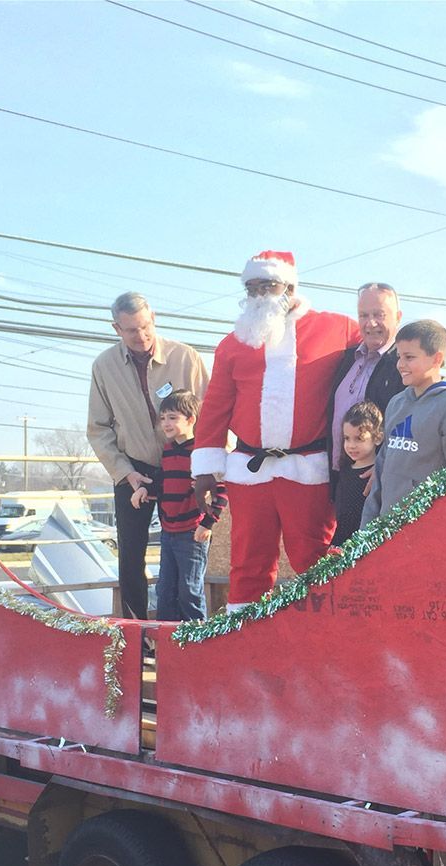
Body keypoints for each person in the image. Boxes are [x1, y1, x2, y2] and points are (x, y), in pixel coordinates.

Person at [192, 251, 360, 609]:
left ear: (290, 286)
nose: (258, 296)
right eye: (251, 288)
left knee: (316, 562)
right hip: (250, 472)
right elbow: (215, 407)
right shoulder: (232, 344)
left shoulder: (338, 328)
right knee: (248, 563)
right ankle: (245, 644)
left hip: (307, 471)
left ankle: (325, 638)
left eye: (267, 286)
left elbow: (382, 349)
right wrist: (206, 468)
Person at [87, 292, 208, 620]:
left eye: (144, 327)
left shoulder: (186, 358)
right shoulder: (103, 367)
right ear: (116, 329)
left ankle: (187, 633)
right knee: (130, 555)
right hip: (134, 469)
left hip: (186, 465)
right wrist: (125, 472)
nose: (140, 336)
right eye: (130, 331)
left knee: (187, 552)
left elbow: (212, 415)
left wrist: (211, 467)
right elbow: (98, 429)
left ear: (153, 317)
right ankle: (135, 633)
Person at [361, 319, 446, 525]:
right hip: (384, 529)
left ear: (436, 359)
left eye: (409, 357)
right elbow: (381, 467)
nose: (400, 364)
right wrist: (366, 528)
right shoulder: (396, 403)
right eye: (399, 356)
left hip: (426, 529)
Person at [131, 390, 227, 622]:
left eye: (173, 417)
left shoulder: (201, 453)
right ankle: (168, 643)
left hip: (191, 533)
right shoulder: (168, 450)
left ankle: (196, 642)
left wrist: (207, 524)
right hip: (169, 532)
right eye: (163, 418)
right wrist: (146, 489)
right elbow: (163, 480)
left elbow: (221, 491)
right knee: (165, 591)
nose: (166, 423)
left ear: (190, 420)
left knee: (189, 591)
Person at [327, 283, 403, 498]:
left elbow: (416, 422)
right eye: (363, 315)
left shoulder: (404, 365)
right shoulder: (346, 359)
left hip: (379, 484)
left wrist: (386, 465)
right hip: (342, 478)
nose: (371, 323)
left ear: (398, 317)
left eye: (379, 314)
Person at [332, 401, 384, 546]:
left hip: (367, 544)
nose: (351, 445)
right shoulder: (345, 471)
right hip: (342, 544)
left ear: (378, 438)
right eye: (347, 438)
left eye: (359, 439)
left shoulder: (379, 473)